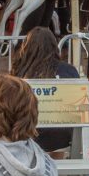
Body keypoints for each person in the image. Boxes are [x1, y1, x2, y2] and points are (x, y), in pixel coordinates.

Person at [9, 26, 79, 155]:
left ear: (27, 47)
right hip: (63, 135)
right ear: (54, 46)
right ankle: (52, 169)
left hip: (28, 134)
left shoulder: (20, 73)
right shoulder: (69, 70)